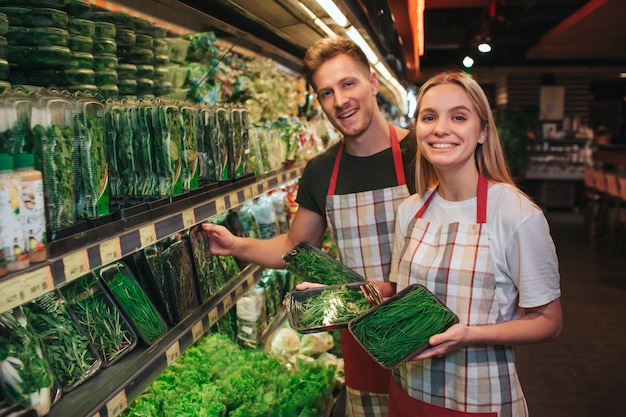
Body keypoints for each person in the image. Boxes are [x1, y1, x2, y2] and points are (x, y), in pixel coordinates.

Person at [202, 37, 417, 416]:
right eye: (326, 92)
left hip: (427, 336)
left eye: (348, 84)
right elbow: (296, 246)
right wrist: (236, 245)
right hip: (363, 344)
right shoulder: (321, 171)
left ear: (372, 82)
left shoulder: (422, 156)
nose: (340, 101)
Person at [378, 70, 563, 417]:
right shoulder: (410, 210)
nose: (440, 129)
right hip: (409, 391)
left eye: (458, 117)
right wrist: (372, 292)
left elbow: (549, 322)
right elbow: (407, 294)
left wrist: (469, 334)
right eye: (429, 117)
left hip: (479, 399)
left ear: (482, 132)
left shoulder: (514, 212)